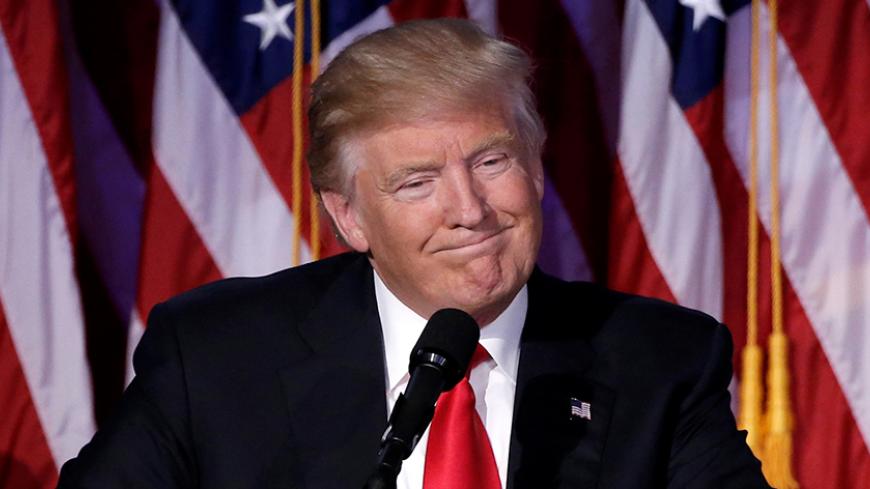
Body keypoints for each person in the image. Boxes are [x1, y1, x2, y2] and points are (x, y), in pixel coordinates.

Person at [58, 18, 771, 489]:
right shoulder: (216, 355)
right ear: (348, 216)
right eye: (417, 182)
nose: (470, 209)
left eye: (492, 161)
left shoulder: (662, 361)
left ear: (535, 165)